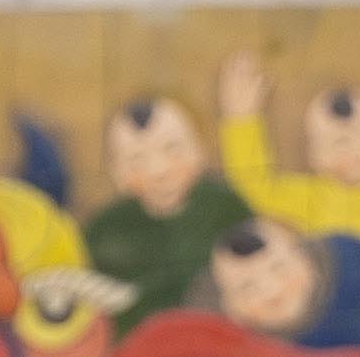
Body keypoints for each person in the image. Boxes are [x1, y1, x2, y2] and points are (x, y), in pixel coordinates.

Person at [214, 51, 360, 240]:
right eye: (342, 142)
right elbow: (254, 190)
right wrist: (242, 121)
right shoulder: (307, 198)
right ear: (315, 156)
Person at [79, 95, 249, 325]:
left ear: (201, 149)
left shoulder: (226, 207)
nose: (159, 170)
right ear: (117, 172)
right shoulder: (105, 230)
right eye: (136, 160)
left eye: (173, 149)